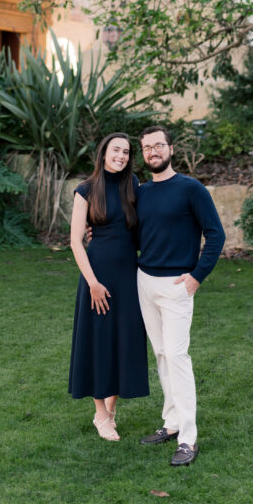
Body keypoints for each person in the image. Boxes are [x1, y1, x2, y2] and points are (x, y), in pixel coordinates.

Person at [136, 125, 225, 467]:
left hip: (177, 285)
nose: (153, 152)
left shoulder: (191, 189)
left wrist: (197, 277)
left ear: (171, 149)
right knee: (160, 354)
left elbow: (216, 234)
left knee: (176, 355)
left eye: (159, 145)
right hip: (145, 281)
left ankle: (188, 438)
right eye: (147, 148)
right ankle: (171, 423)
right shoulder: (142, 192)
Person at [68, 132, 149, 440]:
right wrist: (93, 283)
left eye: (126, 152)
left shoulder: (134, 186)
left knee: (125, 341)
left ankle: (111, 410)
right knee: (99, 342)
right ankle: (100, 414)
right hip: (97, 274)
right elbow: (76, 241)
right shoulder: (86, 189)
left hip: (129, 274)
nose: (121, 156)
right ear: (103, 153)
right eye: (116, 150)